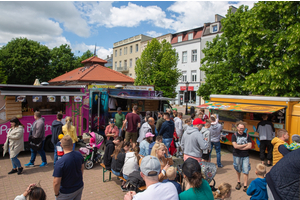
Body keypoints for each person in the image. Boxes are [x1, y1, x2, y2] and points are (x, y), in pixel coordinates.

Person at [53, 135, 84, 200]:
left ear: (61, 146)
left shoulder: (60, 162)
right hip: (79, 187)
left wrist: (56, 194)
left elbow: (56, 182)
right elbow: (82, 170)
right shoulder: (79, 155)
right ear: (72, 144)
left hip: (66, 192)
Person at [232, 121, 252, 192]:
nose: (241, 130)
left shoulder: (247, 135)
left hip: (245, 155)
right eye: (240, 128)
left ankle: (245, 185)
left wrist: (239, 147)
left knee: (246, 170)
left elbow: (250, 146)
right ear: (237, 128)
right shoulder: (234, 135)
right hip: (237, 155)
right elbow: (235, 146)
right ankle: (238, 182)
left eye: (243, 128)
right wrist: (244, 145)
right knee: (238, 169)